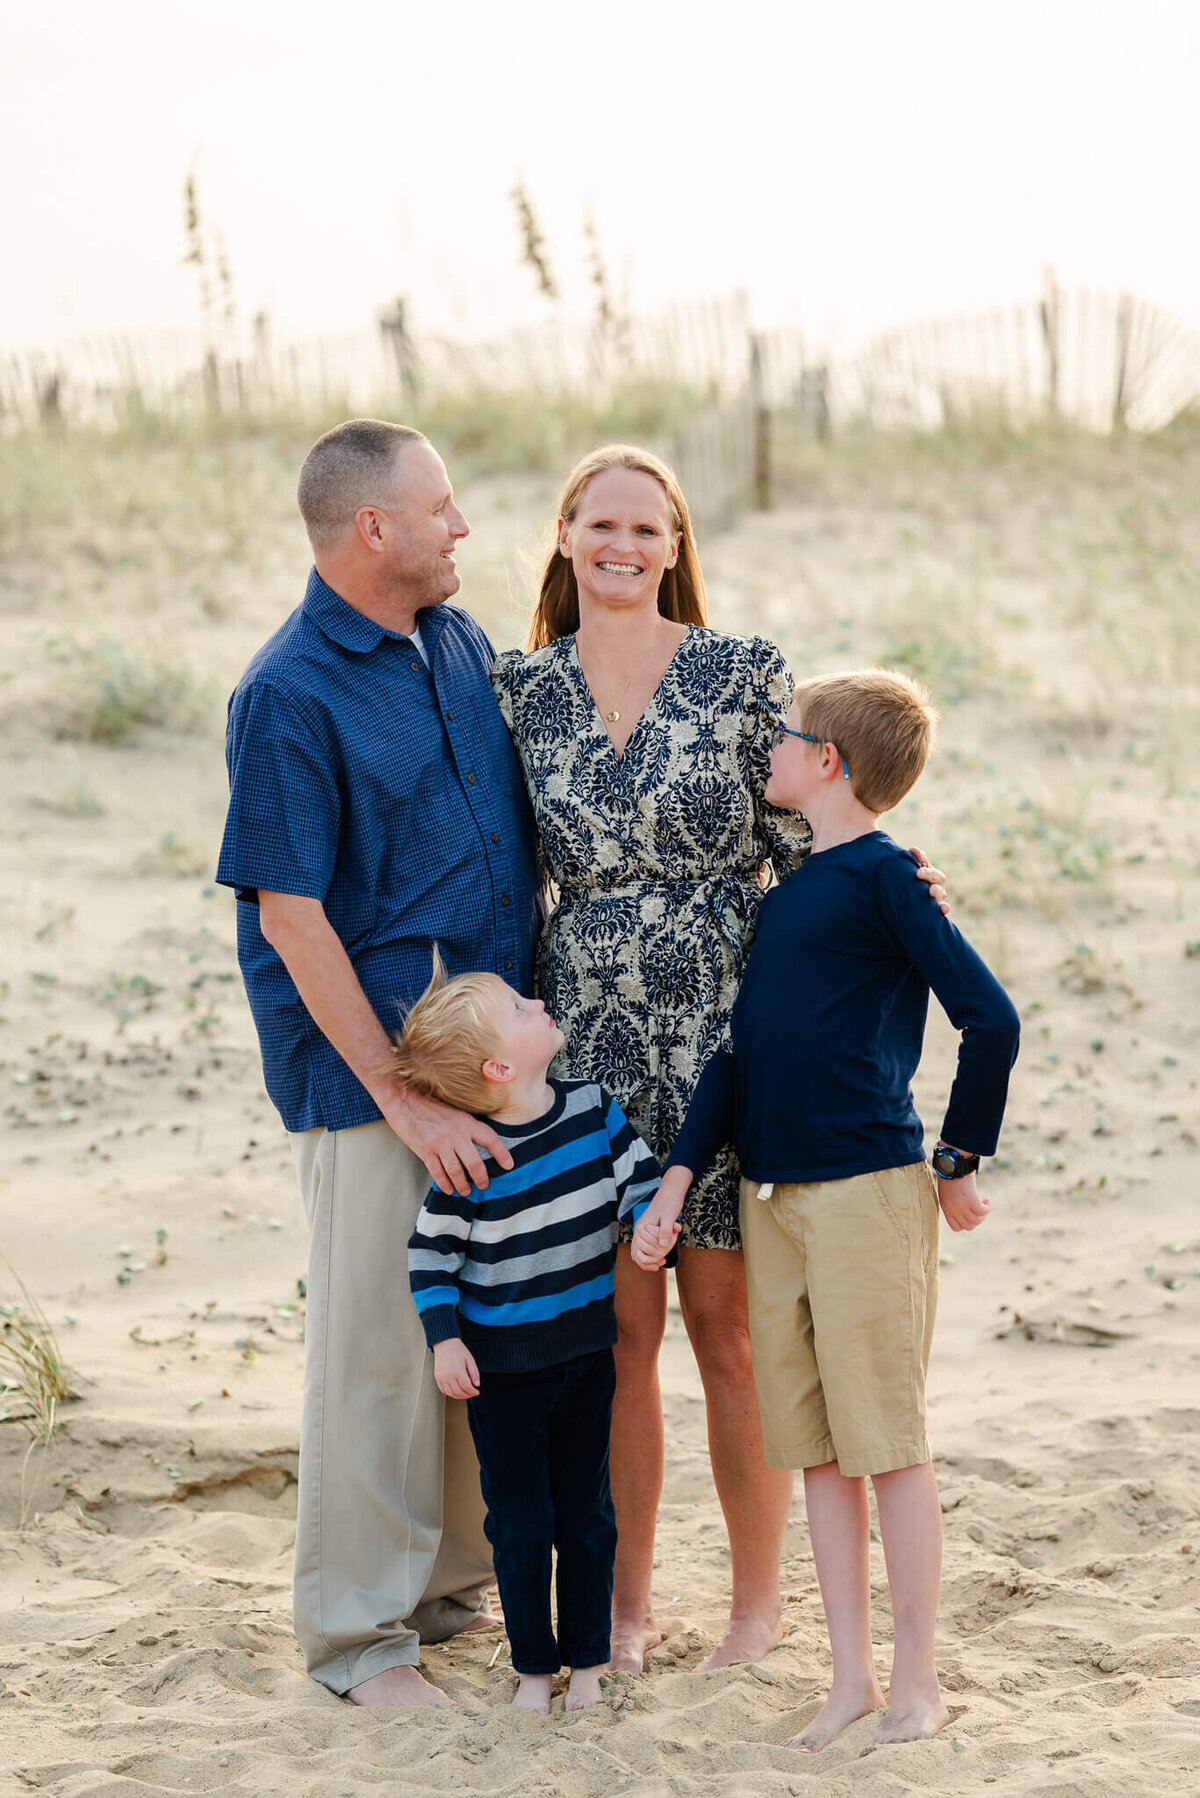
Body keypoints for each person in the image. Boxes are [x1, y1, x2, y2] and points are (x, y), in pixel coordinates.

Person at [490, 445, 949, 1674]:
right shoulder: (518, 688)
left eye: (650, 527)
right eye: (603, 524)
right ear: (567, 534)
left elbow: (813, 839)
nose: (625, 546)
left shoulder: (743, 673)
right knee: (614, 1336)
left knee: (729, 1328)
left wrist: (897, 904)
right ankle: (627, 1606)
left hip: (726, 1025)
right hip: (580, 1031)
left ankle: (756, 1608)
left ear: (678, 542)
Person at [215, 419, 543, 1707]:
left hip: (484, 1060)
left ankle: (442, 1583)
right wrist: (401, 1101)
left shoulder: (455, 641)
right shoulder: (288, 691)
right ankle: (356, 1634)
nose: (463, 526)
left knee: (471, 1326)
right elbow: (290, 918)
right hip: (374, 1082)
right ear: (373, 530)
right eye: (442, 507)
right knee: (377, 1349)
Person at [633, 668, 1020, 1749]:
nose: (769, 748)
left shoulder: (893, 879)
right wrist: (676, 1179)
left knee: (885, 1443)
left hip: (866, 1194)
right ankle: (846, 1680)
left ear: (829, 763)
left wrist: (956, 1161)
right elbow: (741, 1054)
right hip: (772, 1200)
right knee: (813, 1451)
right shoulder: (788, 891)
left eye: (786, 735)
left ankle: (916, 1685)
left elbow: (990, 1019)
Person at [400, 954, 661, 1713]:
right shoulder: (474, 1158)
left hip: (586, 1357)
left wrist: (651, 1225)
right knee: (519, 1526)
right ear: (499, 1064)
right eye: (520, 1007)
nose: (539, 1000)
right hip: (503, 1376)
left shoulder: (593, 1110)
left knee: (586, 1517)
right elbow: (431, 1254)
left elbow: (639, 1180)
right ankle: (532, 1672)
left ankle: (586, 1665)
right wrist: (445, 1339)